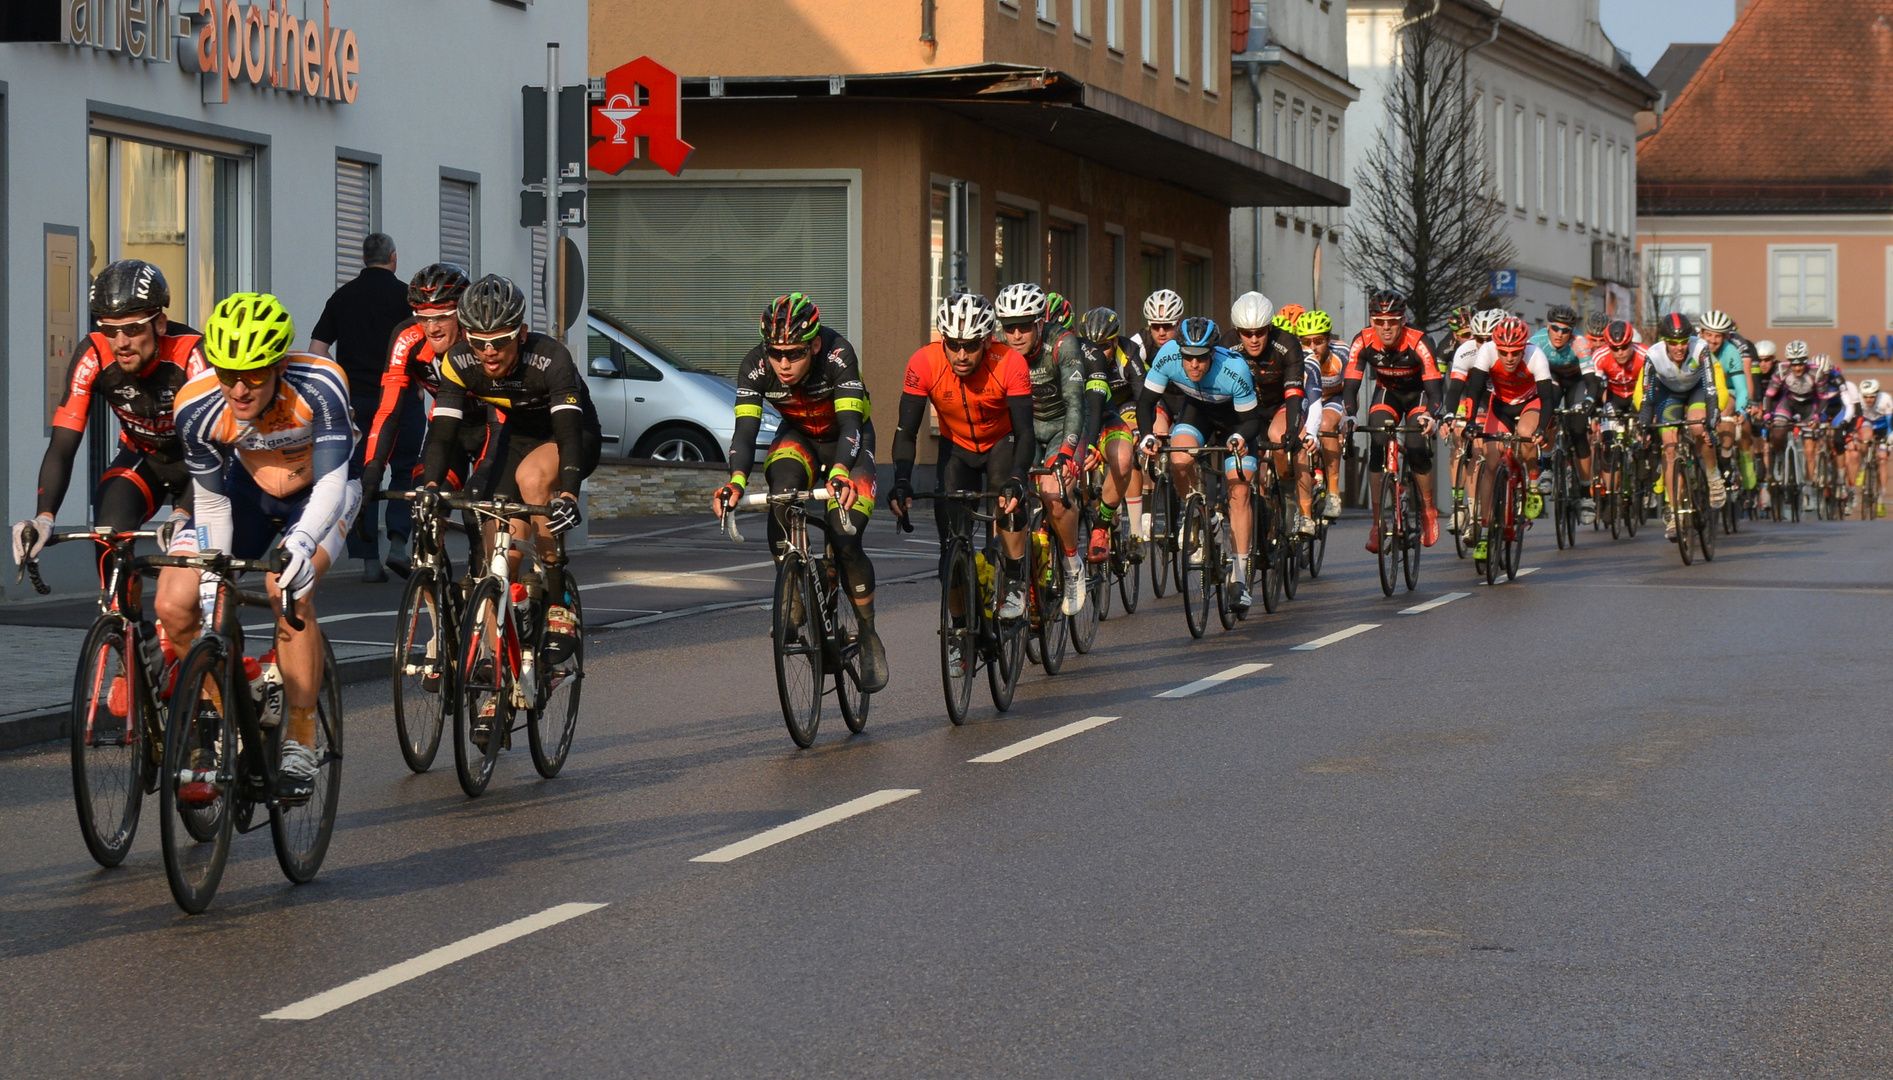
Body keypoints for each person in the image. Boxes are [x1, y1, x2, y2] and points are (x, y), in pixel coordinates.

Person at [153, 293, 360, 803]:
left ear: (279, 365)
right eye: (228, 374)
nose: (239, 389)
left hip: (320, 492)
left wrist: (302, 544)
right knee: (176, 602)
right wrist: (209, 585)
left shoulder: (319, 382)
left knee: (285, 588)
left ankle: (301, 738)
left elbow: (334, 486)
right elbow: (213, 506)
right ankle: (225, 717)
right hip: (246, 493)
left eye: (254, 375)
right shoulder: (197, 406)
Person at [419, 276, 602, 743]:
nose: (490, 354)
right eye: (479, 343)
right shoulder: (457, 362)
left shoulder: (550, 358)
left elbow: (565, 434)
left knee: (534, 482)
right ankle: (495, 684)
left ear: (520, 333)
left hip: (570, 435)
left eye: (500, 342)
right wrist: (434, 487)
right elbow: (441, 435)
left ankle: (558, 597)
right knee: (495, 551)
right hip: (517, 439)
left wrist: (569, 494)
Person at [712, 293, 886, 692]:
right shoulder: (755, 367)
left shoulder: (839, 355)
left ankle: (867, 630)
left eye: (794, 353)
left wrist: (841, 470)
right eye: (776, 354)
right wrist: (736, 481)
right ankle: (791, 584)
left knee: (844, 539)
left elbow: (850, 424)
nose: (784, 364)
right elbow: (745, 431)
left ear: (815, 345)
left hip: (848, 443)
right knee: (782, 493)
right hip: (800, 438)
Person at [15, 260, 205, 582]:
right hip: (144, 458)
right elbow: (63, 446)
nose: (120, 343)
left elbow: (215, 446)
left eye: (132, 329)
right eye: (108, 329)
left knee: (187, 583)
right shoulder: (93, 354)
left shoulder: (191, 354)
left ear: (159, 323)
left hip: (200, 465)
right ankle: (120, 623)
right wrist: (44, 517)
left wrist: (183, 512)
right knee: (109, 534)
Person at [889, 292, 1036, 657]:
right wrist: (902, 481)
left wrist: (1018, 477)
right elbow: (906, 432)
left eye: (970, 346)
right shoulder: (923, 362)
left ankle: (1015, 578)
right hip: (955, 450)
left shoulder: (1010, 362)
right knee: (950, 549)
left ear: (987, 340)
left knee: (1008, 501)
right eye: (953, 345)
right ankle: (959, 630)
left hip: (1000, 443)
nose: (961, 355)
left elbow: (1025, 432)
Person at [359, 264, 494, 555]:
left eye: (443, 317)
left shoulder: (481, 337)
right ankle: (435, 584)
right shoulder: (407, 337)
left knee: (478, 515)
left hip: (493, 426)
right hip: (448, 428)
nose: (432, 328)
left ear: (462, 313)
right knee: (426, 505)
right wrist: (373, 468)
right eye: (423, 317)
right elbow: (388, 411)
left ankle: (484, 583)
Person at [1136, 317, 1263, 612]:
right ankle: (1201, 515)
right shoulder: (1167, 355)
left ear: (1213, 353)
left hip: (1237, 420)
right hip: (1198, 412)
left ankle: (1241, 578)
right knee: (1179, 457)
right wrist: (1147, 436)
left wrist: (1241, 437)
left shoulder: (1235, 369)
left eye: (1202, 358)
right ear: (1179, 352)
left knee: (1240, 491)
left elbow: (1253, 421)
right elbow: (1145, 403)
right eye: (1189, 358)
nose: (1194, 365)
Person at [309, 232, 413, 582]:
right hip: (401, 399)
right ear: (393, 258)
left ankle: (368, 559)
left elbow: (317, 350)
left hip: (354, 403)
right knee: (404, 470)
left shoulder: (342, 298)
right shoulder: (406, 298)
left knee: (357, 477)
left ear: (364, 258)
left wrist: (335, 390)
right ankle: (399, 541)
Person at [995, 282, 1088, 616]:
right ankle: (1014, 581)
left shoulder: (1062, 343)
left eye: (1024, 326)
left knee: (1053, 494)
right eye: (1009, 327)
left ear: (1038, 323)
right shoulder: (998, 347)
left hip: (1063, 426)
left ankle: (1073, 565)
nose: (1016, 334)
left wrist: (1067, 452)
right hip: (1023, 430)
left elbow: (1076, 404)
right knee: (1005, 501)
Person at [1343, 288, 1441, 550]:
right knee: (1377, 441)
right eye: (1379, 322)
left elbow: (1434, 391)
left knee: (1417, 445)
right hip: (1388, 393)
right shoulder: (1362, 340)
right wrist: (1350, 415)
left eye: (1392, 322)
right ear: (1371, 320)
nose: (1386, 328)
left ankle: (1428, 509)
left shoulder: (1419, 341)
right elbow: (1351, 385)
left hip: (1419, 395)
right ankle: (1378, 525)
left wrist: (1431, 416)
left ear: (1403, 321)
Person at [1453, 316, 1556, 562]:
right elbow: (1475, 389)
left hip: (1530, 403)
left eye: (1515, 352)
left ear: (1524, 348)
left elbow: (1548, 397)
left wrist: (1542, 428)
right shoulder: (1487, 351)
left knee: (1525, 436)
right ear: (1496, 347)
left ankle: (1532, 480)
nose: (1509, 358)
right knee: (1490, 464)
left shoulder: (1535, 356)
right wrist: (1469, 422)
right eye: (1504, 352)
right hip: (1500, 405)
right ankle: (1486, 530)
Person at [1228, 291, 1318, 535]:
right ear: (1238, 331)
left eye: (1260, 332)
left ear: (1269, 328)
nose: (1254, 339)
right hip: (1249, 406)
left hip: (1281, 403)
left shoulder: (1287, 344)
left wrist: (1292, 430)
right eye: (1247, 333)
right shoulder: (1227, 346)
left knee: (1282, 436)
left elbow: (1294, 393)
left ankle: (1302, 509)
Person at [1638, 313, 1726, 541]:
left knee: (1699, 428)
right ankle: (1674, 512)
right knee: (1670, 448)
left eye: (1683, 341)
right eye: (1673, 342)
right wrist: (1645, 427)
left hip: (1696, 390)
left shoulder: (1700, 348)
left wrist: (1713, 416)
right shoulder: (1653, 354)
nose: (1679, 348)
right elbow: (1647, 397)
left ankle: (1713, 476)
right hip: (1669, 395)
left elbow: (1710, 389)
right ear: (1665, 341)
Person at [1075, 307, 1149, 561]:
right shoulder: (1073, 354)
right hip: (1085, 412)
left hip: (1120, 406)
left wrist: (1140, 429)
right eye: (1091, 345)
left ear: (1115, 342)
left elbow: (1143, 398)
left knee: (1126, 457)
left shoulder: (1128, 353)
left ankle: (1130, 531)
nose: (1096, 351)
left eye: (1104, 346)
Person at [1530, 305, 1600, 524]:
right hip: (1551, 378)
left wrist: (1589, 400)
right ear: (1548, 327)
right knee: (1548, 408)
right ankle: (1548, 468)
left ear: (1572, 331)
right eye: (1555, 328)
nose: (1560, 334)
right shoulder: (1537, 342)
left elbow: (1591, 380)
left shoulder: (1580, 343)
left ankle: (1586, 495)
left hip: (1576, 382)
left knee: (1578, 431)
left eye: (1565, 330)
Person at [1295, 310, 1350, 521]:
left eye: (1318, 340)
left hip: (1335, 398)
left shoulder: (1342, 354)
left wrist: (1346, 417)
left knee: (1326, 424)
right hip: (1309, 400)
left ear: (1328, 339)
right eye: (1306, 341)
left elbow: (1351, 390)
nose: (1312, 347)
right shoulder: (1297, 357)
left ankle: (1334, 493)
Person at [1860, 377, 1891, 517]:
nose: (1868, 400)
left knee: (1882, 459)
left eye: (1872, 397)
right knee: (1864, 438)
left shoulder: (1885, 399)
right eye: (1866, 397)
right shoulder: (1860, 401)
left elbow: (1891, 423)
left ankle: (1881, 498)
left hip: (1884, 428)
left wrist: (1889, 439)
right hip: (1868, 424)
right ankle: (1862, 466)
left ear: (1877, 394)